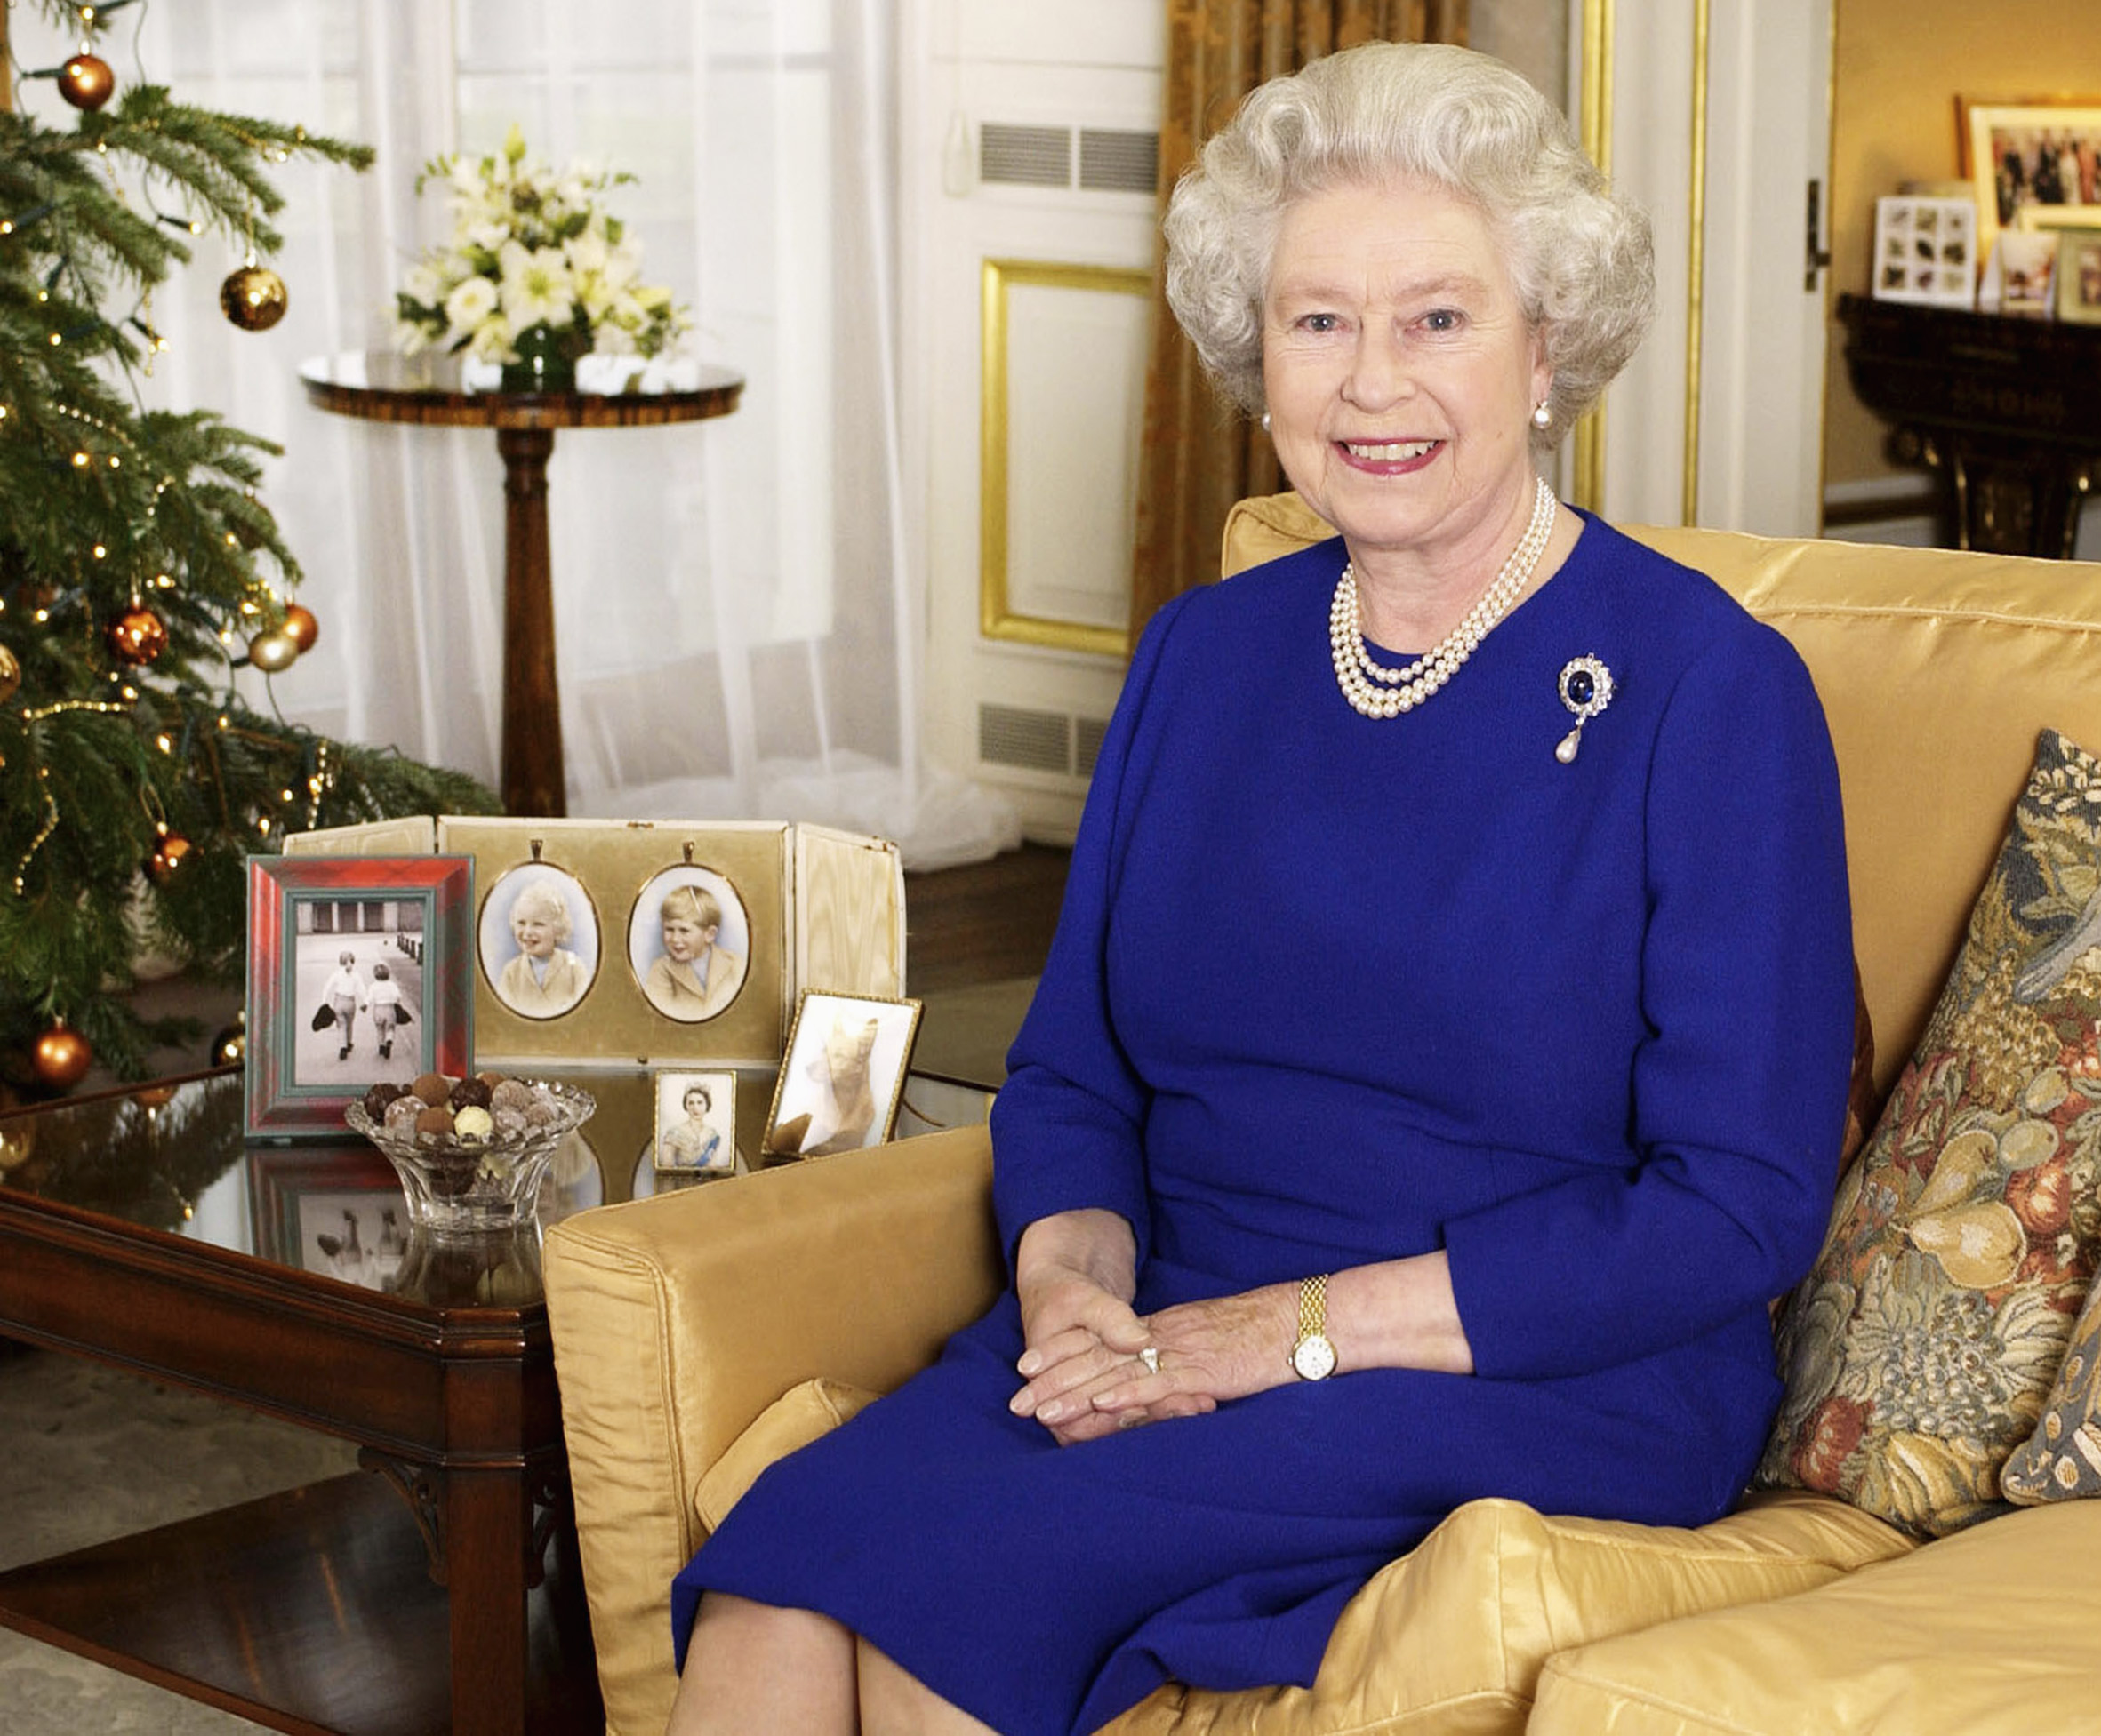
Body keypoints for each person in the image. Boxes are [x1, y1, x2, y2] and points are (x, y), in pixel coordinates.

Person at [667, 41, 1854, 1736]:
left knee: (945, 1621)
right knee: (773, 1593)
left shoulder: (1706, 691)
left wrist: (1268, 1338)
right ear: (1258, 356)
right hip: (1167, 1310)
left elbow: (1736, 1210)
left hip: (1534, 1360)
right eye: (1319, 323)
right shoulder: (1203, 658)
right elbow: (1076, 1070)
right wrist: (1074, 1274)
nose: (1374, 383)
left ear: (1546, 351)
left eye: (1437, 318)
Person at [642, 882, 746, 1021]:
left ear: (709, 934)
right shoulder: (661, 969)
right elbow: (658, 1016)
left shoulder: (734, 964)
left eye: (684, 930)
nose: (675, 938)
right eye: (669, 929)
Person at [495, 879, 590, 1018]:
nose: (527, 932)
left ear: (557, 929)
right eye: (521, 923)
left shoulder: (574, 967)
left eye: (538, 924)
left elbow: (585, 1013)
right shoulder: (511, 972)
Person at [661, 1084, 730, 1173]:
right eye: (691, 1103)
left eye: (700, 1103)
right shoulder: (674, 1133)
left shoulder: (712, 1134)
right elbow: (666, 1167)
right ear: (686, 1106)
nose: (695, 1108)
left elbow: (712, 1168)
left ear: (707, 1105)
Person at [360, 960, 410, 1063]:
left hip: (378, 1010)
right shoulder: (392, 985)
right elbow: (398, 996)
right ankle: (389, 1040)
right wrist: (396, 1002)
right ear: (388, 973)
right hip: (390, 1009)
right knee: (390, 1028)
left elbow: (369, 998)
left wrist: (365, 1005)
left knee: (379, 1029)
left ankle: (381, 1046)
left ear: (375, 975)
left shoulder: (373, 986)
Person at [316, 949, 362, 1060]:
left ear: (340, 961)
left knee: (341, 1026)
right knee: (349, 1024)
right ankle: (349, 1043)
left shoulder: (336, 974)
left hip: (339, 1002)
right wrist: (365, 1001)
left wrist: (324, 1001)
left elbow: (327, 987)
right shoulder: (356, 975)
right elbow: (361, 988)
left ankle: (343, 1047)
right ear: (352, 961)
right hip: (350, 1002)